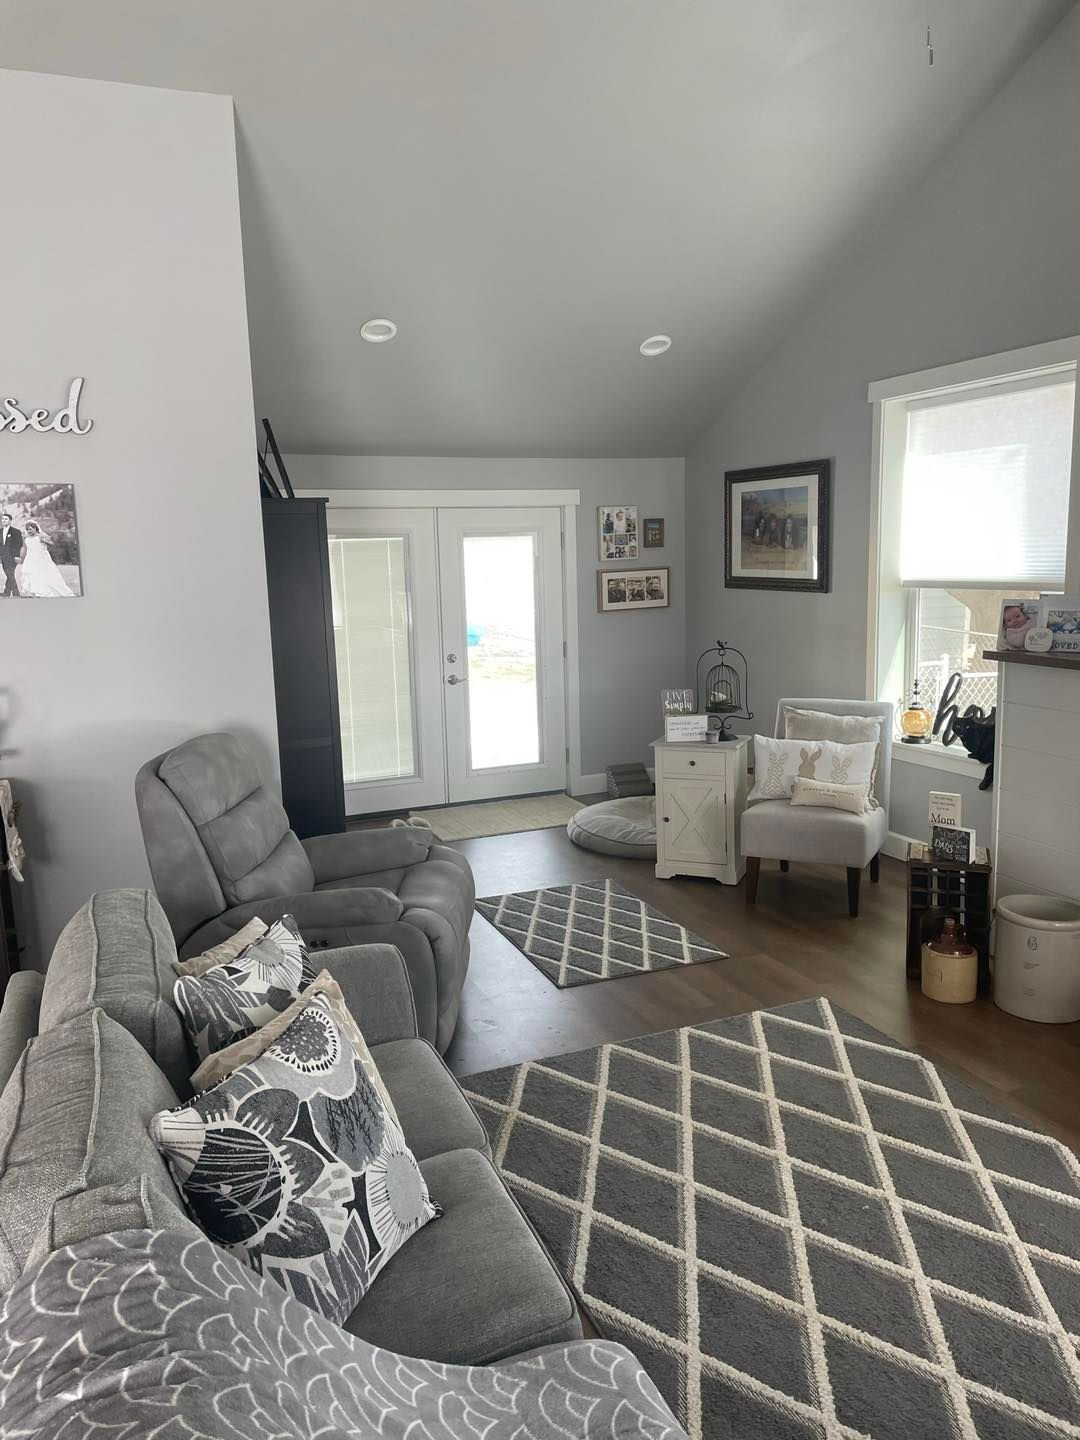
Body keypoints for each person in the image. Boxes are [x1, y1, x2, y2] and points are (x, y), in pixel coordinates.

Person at [19, 520, 74, 597]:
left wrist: (45, 541)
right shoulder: (26, 537)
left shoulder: (41, 535)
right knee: (32, 574)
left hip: (41, 557)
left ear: (35, 528)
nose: (29, 531)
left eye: (30, 529)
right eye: (27, 529)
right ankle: (35, 591)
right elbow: (24, 547)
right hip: (30, 558)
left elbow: (51, 543)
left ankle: (44, 591)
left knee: (44, 573)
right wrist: (21, 557)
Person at [1, 512, 22, 597]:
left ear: (10, 521)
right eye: (2, 519)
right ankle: (7, 592)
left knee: (10, 573)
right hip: (3, 556)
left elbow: (19, 544)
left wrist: (17, 556)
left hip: (13, 556)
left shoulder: (16, 531)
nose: (3, 520)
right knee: (9, 573)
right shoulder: (0, 531)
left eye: (6, 519)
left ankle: (15, 593)